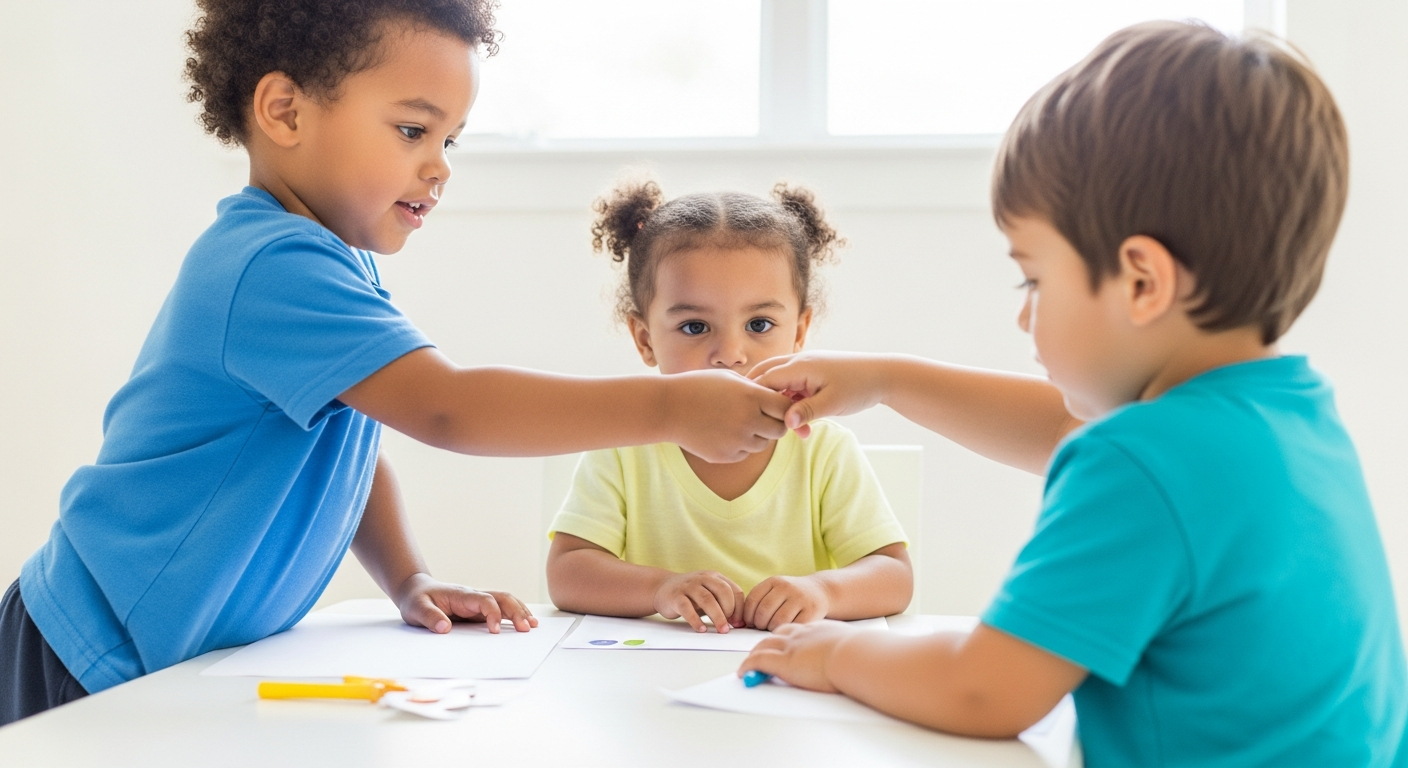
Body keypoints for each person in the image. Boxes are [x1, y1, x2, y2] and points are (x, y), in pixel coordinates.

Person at [0, 0, 792, 727]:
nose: (440, 166)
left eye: (450, 140)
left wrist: (408, 578)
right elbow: (448, 407)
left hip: (160, 654)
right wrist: (670, 408)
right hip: (89, 645)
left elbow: (348, 450)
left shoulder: (331, 260)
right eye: (413, 131)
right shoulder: (273, 265)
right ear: (285, 111)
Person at [739, 21, 1407, 767]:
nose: (1024, 315)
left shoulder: (1143, 460)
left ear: (1143, 282)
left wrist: (834, 653)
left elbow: (982, 689)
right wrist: (884, 379)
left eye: (1033, 278)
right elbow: (1066, 427)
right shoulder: (1290, 415)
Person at [545, 181, 912, 633]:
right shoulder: (622, 446)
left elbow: (894, 576)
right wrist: (660, 589)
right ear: (645, 339)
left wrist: (823, 592)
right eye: (695, 327)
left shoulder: (824, 450)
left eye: (759, 324)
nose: (730, 354)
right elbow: (567, 572)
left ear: (799, 332)